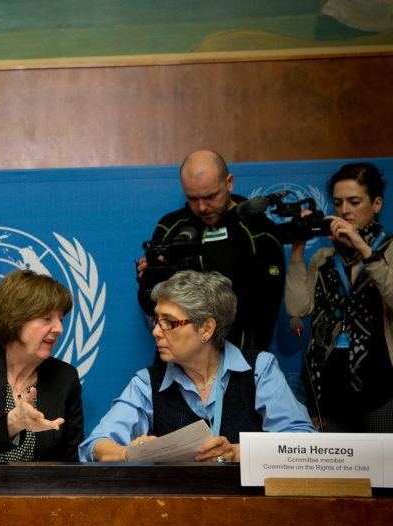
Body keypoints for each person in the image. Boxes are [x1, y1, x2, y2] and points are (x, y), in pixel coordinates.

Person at [80, 270, 314, 463]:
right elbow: (95, 445)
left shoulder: (259, 370)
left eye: (168, 322)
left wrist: (234, 453)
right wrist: (126, 453)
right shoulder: (147, 383)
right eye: (156, 320)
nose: (155, 331)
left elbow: (301, 445)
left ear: (206, 329)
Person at [136, 149, 285, 351]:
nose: (202, 207)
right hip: (178, 362)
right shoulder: (170, 226)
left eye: (210, 196)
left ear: (229, 182)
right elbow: (153, 308)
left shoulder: (259, 231)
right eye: (193, 198)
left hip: (240, 358)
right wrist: (148, 281)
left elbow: (265, 309)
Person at [285, 163, 393, 432]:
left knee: (385, 470)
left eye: (354, 202)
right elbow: (297, 308)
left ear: (376, 203)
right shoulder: (324, 258)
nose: (344, 211)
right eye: (338, 202)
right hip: (328, 388)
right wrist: (298, 251)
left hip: (381, 389)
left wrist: (364, 249)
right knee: (334, 472)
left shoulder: (389, 252)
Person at [0, 270, 84, 462]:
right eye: (47, 318)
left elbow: (71, 462)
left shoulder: (65, 377)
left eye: (60, 319)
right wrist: (14, 422)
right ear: (15, 319)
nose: (59, 329)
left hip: (43, 490)